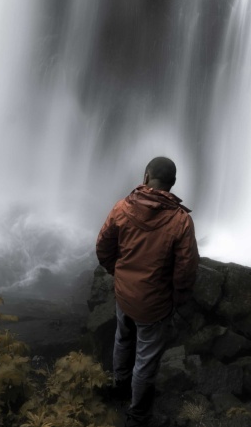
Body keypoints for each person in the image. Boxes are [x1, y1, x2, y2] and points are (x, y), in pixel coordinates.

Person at [95, 156, 199, 426]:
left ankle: (120, 386)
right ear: (173, 184)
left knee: (123, 338)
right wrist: (178, 299)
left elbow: (103, 248)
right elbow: (185, 270)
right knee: (146, 358)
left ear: (145, 177)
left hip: (124, 294)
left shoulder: (122, 208)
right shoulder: (181, 222)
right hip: (154, 305)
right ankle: (138, 414)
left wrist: (118, 273)